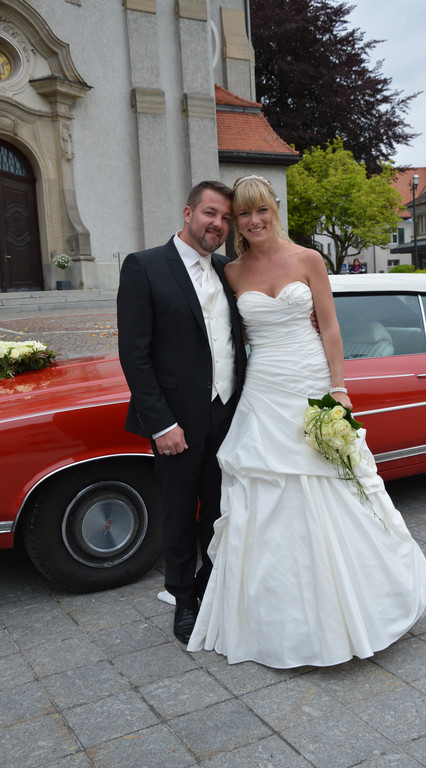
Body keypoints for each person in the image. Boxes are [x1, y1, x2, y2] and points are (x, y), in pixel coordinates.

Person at [187, 175, 426, 668]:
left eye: (261, 210)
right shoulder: (230, 272)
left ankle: (363, 601)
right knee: (264, 495)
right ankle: (274, 616)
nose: (253, 220)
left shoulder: (308, 260)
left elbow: (331, 329)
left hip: (312, 384)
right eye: (243, 214)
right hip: (263, 393)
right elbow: (224, 333)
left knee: (336, 487)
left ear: (274, 210)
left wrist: (338, 389)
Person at [117, 180, 247, 645]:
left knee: (219, 505)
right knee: (177, 510)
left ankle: (209, 583)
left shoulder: (230, 270)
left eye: (226, 218)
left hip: (228, 413)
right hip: (176, 420)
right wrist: (161, 424)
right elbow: (134, 355)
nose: (219, 224)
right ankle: (183, 597)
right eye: (211, 213)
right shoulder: (145, 266)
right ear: (189, 212)